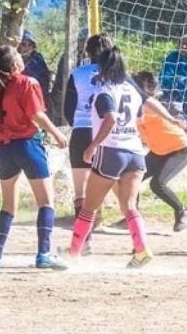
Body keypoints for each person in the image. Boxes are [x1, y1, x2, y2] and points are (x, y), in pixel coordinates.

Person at [64, 47, 184, 267]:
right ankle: (141, 250)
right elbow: (141, 112)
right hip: (136, 153)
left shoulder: (105, 92)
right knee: (129, 206)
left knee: (89, 206)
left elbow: (109, 120)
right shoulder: (132, 89)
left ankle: (73, 253)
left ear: (102, 68)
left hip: (112, 151)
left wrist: (93, 146)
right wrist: (171, 119)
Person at [0, 45, 69, 271]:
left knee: (8, 206)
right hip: (27, 145)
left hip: (3, 150)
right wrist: (56, 133)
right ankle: (44, 254)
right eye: (18, 55)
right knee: (46, 202)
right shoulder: (27, 83)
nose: (21, 57)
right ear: (14, 65)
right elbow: (36, 115)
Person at [63, 33, 114, 253]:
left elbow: (68, 108)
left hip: (83, 130)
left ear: (87, 52)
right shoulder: (117, 75)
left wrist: (78, 123)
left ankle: (84, 241)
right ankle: (137, 243)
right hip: (108, 132)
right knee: (121, 187)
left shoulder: (77, 74)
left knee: (81, 191)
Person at [134, 71, 187, 232]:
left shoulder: (147, 103)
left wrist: (172, 119)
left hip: (179, 149)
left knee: (157, 184)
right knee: (133, 178)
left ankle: (183, 210)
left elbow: (149, 106)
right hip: (158, 151)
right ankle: (132, 217)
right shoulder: (134, 103)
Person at [51, 28, 89, 125]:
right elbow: (59, 82)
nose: (84, 44)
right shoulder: (67, 57)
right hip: (67, 94)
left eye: (86, 42)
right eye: (81, 41)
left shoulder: (93, 60)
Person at [18, 30, 52, 106]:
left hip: (35, 98)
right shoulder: (13, 59)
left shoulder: (38, 59)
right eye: (23, 44)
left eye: (30, 45)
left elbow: (45, 80)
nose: (27, 48)